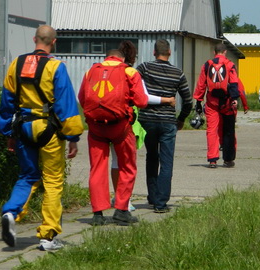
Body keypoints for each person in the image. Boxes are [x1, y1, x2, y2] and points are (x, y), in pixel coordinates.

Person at [0, 25, 84, 251]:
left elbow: (7, 101)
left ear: (34, 39)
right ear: (53, 42)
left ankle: (10, 211)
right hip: (49, 130)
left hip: (24, 127)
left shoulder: (16, 64)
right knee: (53, 181)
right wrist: (73, 136)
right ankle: (48, 236)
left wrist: (8, 133)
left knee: (27, 176)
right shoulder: (56, 66)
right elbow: (66, 104)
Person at [79, 49, 162, 226]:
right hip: (120, 127)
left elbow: (82, 98)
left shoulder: (90, 71)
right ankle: (122, 209)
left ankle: (97, 214)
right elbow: (141, 101)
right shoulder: (129, 71)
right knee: (127, 167)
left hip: (96, 128)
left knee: (97, 168)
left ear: (107, 57)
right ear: (121, 58)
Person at [136, 39, 192, 213]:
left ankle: (152, 197)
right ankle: (161, 203)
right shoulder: (178, 73)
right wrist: (181, 119)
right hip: (168, 122)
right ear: (169, 52)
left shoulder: (144, 68)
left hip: (147, 121)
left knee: (152, 157)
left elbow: (134, 86)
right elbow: (188, 101)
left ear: (154, 52)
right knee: (166, 162)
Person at [193, 43, 240, 168]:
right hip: (227, 102)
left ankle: (212, 159)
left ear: (214, 52)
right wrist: (235, 98)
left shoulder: (207, 65)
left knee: (212, 130)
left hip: (212, 102)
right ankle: (228, 159)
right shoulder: (230, 64)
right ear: (225, 52)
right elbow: (234, 82)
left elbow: (201, 84)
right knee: (228, 131)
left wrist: (198, 101)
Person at [109, 41, 141, 212]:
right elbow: (142, 99)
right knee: (127, 162)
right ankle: (125, 200)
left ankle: (116, 196)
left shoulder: (105, 71)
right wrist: (165, 100)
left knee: (115, 161)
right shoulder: (130, 72)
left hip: (106, 120)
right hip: (127, 121)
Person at [219, 78, 249, 167]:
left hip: (218, 108)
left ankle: (221, 145)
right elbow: (241, 92)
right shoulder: (235, 80)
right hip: (230, 109)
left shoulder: (217, 78)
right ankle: (229, 157)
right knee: (230, 133)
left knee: (220, 130)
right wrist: (245, 106)